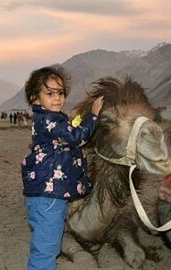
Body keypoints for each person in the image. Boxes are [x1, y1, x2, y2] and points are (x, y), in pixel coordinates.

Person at [21, 65, 103, 270]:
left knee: (48, 243)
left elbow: (66, 137)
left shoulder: (48, 118)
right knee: (46, 249)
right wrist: (93, 116)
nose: (57, 98)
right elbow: (76, 137)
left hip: (48, 193)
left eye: (60, 93)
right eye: (50, 93)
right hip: (48, 195)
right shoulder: (50, 119)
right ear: (35, 98)